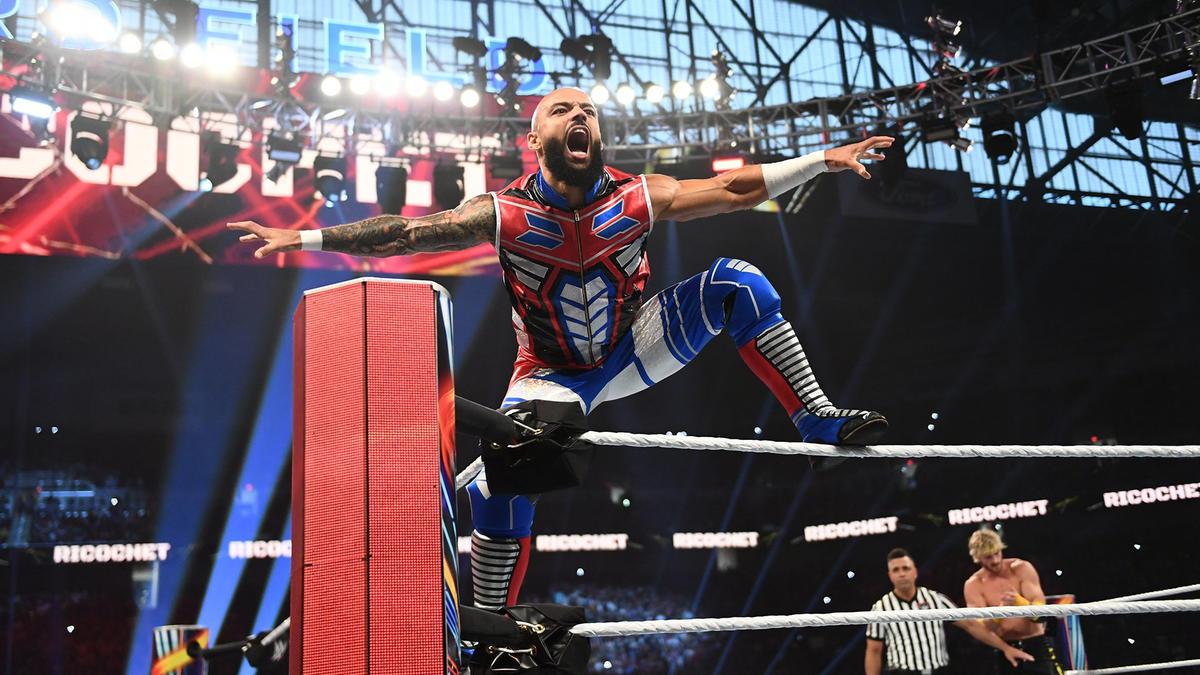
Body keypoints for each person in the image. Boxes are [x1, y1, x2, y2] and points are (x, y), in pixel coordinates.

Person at [229, 87, 893, 610]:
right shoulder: (502, 212)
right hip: (549, 375)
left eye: (590, 112)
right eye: (563, 110)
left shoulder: (638, 196)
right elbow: (404, 234)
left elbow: (732, 190)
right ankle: (492, 629)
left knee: (738, 283)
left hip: (633, 346)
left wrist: (822, 160)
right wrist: (305, 239)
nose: (581, 116)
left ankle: (815, 417)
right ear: (533, 139)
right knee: (499, 479)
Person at [866, 548, 1033, 675]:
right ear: (890, 575)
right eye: (896, 570)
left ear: (915, 571)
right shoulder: (881, 607)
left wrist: (1005, 648)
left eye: (905, 568)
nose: (902, 574)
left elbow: (971, 625)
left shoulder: (935, 599)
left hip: (939, 670)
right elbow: (874, 651)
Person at [963, 530, 1065, 674]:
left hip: (1036, 644)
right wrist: (1001, 612)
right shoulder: (974, 585)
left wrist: (1020, 603)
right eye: (988, 557)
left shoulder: (1021, 568)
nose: (995, 560)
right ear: (977, 557)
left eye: (997, 553)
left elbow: (1042, 615)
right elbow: (983, 629)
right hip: (1005, 649)